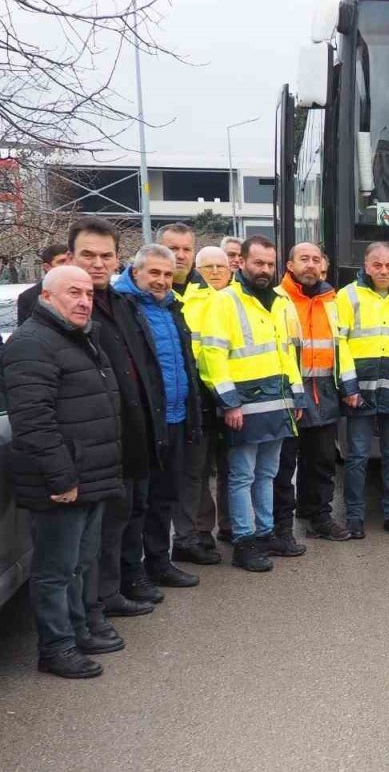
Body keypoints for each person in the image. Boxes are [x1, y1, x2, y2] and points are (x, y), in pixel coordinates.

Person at [1, 265, 124, 678]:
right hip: (62, 484)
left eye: (88, 293)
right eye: (73, 292)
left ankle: (78, 631)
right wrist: (62, 478)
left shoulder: (79, 338)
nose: (84, 300)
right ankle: (55, 648)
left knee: (80, 563)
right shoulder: (31, 344)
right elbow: (33, 421)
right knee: (55, 571)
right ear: (47, 297)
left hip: (89, 476)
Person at [69, 219, 164, 620]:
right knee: (100, 531)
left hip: (134, 431)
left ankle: (123, 583)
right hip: (94, 440)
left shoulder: (123, 304)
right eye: (87, 255)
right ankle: (98, 602)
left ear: (117, 260)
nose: (97, 263)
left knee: (130, 513)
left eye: (106, 255)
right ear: (71, 256)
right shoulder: (60, 304)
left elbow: (142, 366)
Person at [200, 235, 303, 572]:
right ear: (240, 263)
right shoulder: (225, 301)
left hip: (277, 402)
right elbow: (211, 354)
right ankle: (244, 542)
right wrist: (229, 403)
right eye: (258, 263)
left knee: (267, 474)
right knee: (242, 475)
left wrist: (296, 395)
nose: (265, 270)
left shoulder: (279, 300)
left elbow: (287, 353)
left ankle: (265, 533)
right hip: (243, 406)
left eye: (270, 264)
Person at [113, 245, 204, 593]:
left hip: (175, 417)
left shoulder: (172, 308)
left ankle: (159, 563)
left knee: (165, 496)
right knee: (139, 503)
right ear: (136, 273)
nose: (161, 280)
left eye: (167, 274)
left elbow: (184, 365)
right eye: (154, 273)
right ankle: (132, 573)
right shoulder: (123, 307)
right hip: (144, 424)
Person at [335, 242, 389, 539]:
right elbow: (340, 343)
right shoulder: (347, 295)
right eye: (378, 265)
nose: (384, 271)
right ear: (366, 265)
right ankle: (355, 516)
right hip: (360, 389)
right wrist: (348, 386)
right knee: (357, 456)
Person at [274, 242, 349, 543]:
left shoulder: (334, 301)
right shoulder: (277, 300)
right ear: (290, 266)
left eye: (316, 260)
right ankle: (281, 526)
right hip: (289, 393)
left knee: (321, 461)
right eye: (303, 259)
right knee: (284, 465)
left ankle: (318, 515)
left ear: (325, 267)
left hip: (325, 393)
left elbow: (344, 346)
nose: (310, 265)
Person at [171, 246, 233, 563]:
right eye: (207, 267)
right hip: (200, 398)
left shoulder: (238, 300)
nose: (215, 272)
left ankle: (230, 525)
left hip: (234, 397)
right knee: (196, 470)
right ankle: (200, 531)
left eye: (221, 266)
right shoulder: (188, 302)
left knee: (230, 468)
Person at [17, 243, 70, 326]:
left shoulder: (86, 291)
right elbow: (23, 333)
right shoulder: (28, 297)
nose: (68, 265)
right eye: (61, 261)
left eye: (70, 260)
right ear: (47, 267)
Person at [158, 223, 202, 300]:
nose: (181, 256)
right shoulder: (136, 298)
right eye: (173, 249)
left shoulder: (214, 298)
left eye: (187, 249)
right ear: (157, 251)